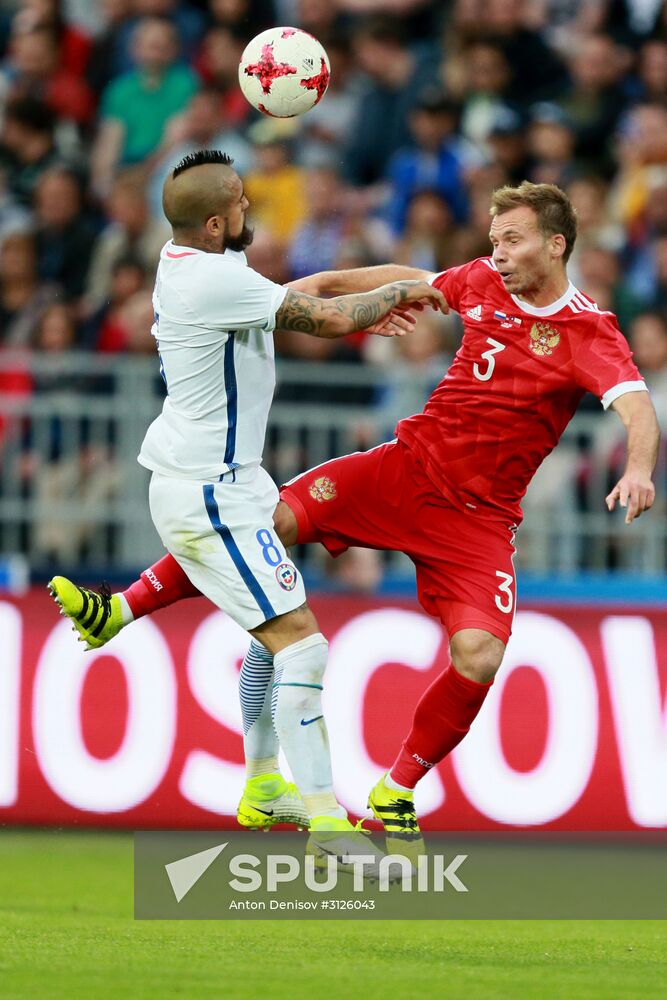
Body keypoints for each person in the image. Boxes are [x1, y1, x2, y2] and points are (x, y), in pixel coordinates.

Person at [51, 181, 658, 858]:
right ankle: (120, 610)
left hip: (478, 519)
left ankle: (396, 788)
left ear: (556, 244)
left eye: (513, 241)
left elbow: (637, 408)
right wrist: (318, 288)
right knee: (265, 524)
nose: (499, 254)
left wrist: (637, 469)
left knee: (481, 655)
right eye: (494, 241)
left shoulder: (587, 331)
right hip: (402, 472)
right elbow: (414, 281)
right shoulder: (482, 280)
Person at [49, 148, 446, 862]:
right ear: (213, 223)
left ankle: (258, 777)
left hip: (223, 483)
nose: (248, 205)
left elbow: (311, 292)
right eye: (237, 199)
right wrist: (397, 296)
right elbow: (326, 319)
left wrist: (404, 287)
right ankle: (326, 820)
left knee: (269, 637)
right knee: (303, 644)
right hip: (210, 489)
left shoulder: (193, 265)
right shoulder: (211, 279)